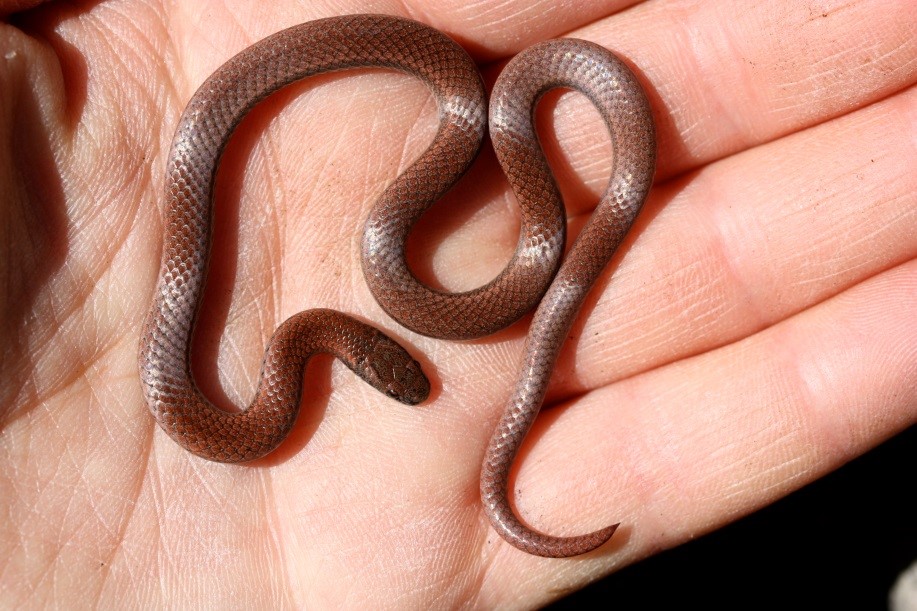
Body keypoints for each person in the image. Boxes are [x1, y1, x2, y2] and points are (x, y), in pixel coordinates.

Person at [1, 0, 914, 607]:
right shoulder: (243, 384)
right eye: (395, 372)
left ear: (358, 354)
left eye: (392, 370)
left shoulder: (456, 145)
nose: (403, 375)